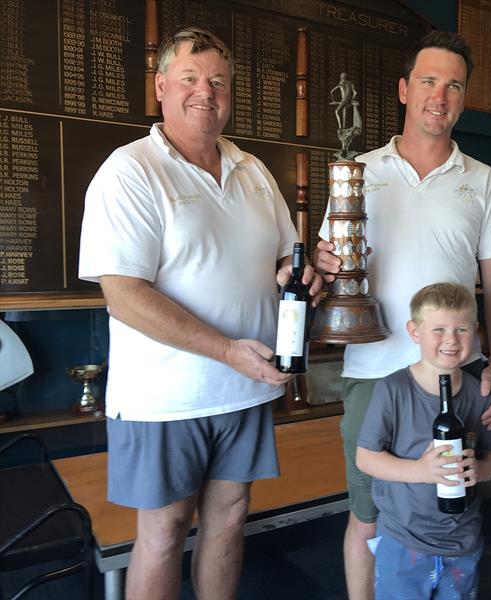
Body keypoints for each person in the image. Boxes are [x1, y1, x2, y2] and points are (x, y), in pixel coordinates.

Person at [78, 27, 322, 600]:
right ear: (161, 87)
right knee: (162, 534)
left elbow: (282, 266)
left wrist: (300, 277)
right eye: (189, 78)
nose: (204, 92)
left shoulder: (254, 171)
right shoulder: (131, 170)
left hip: (247, 390)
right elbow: (125, 295)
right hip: (166, 399)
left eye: (217, 80)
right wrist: (226, 350)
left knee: (231, 518)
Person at [315, 30, 491, 599]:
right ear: (405, 89)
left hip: (458, 375)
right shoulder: (357, 171)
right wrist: (322, 260)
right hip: (375, 370)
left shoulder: (483, 180)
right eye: (429, 81)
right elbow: (330, 262)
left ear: (463, 98)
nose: (440, 95)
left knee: (452, 509)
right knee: (369, 515)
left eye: (454, 85)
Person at [356, 283, 491, 599]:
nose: (451, 339)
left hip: (462, 540)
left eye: (461, 329)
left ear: (475, 332)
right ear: (415, 331)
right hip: (403, 540)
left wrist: (479, 470)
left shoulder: (479, 394)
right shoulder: (393, 390)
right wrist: (422, 472)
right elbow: (366, 458)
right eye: (438, 329)